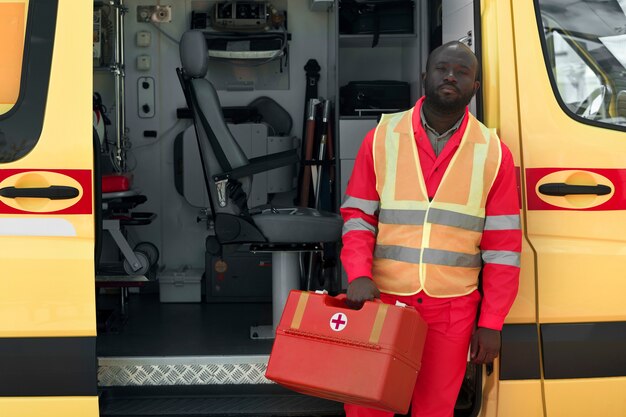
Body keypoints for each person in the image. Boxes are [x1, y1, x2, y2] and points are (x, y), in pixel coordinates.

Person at [340, 41, 521, 417]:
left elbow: (504, 247)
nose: (450, 76)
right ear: (424, 77)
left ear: (476, 87)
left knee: (435, 409)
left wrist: (491, 322)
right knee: (366, 406)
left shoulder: (493, 152)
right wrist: (357, 273)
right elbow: (358, 217)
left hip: (452, 309)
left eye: (462, 71)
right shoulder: (382, 137)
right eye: (441, 69)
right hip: (382, 299)